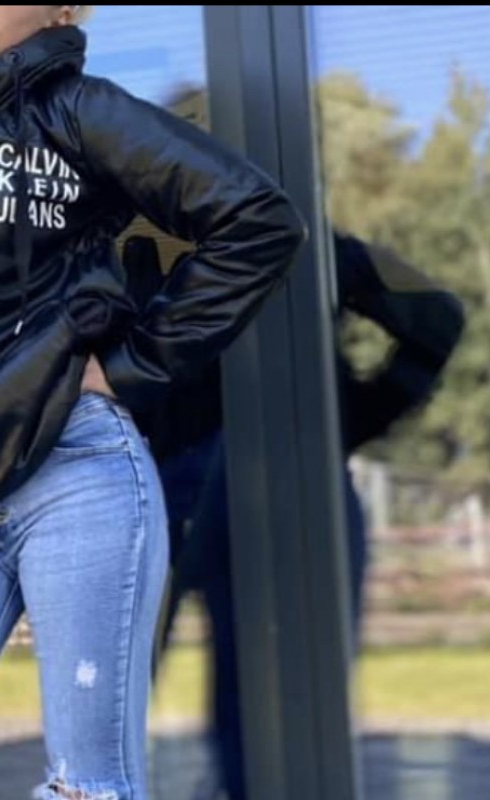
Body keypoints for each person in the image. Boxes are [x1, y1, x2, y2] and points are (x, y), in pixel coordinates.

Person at [0, 6, 306, 798]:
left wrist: (131, 366)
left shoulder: (79, 112)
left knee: (86, 788)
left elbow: (256, 220)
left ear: (62, 11)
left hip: (74, 479)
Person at [140, 229, 466, 800]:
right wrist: (343, 423)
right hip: (279, 472)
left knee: (108, 708)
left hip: (166, 475)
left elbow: (438, 315)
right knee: (274, 725)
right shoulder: (305, 237)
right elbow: (437, 316)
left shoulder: (136, 238)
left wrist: (347, 421)